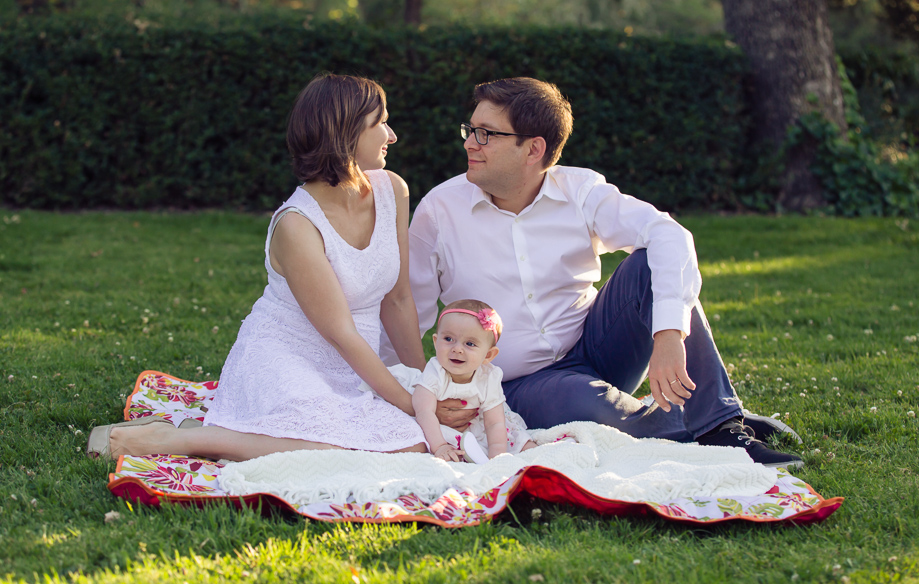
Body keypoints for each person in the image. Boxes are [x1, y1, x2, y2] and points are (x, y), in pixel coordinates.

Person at [390, 77, 803, 469]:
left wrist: (669, 334)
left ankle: (722, 426)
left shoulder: (580, 190)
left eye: (485, 134)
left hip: (599, 346)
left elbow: (668, 233)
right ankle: (712, 417)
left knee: (648, 262)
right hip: (520, 381)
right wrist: (416, 391)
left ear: (533, 149)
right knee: (594, 412)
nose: (469, 142)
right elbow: (409, 308)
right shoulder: (440, 211)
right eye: (470, 130)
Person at [87, 73, 431, 462]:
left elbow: (398, 300)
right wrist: (409, 404)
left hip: (356, 366)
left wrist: (427, 388)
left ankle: (219, 436)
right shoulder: (297, 224)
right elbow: (340, 333)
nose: (392, 135)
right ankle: (173, 441)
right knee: (369, 447)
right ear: (345, 133)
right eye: (381, 122)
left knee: (412, 443)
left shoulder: (393, 190)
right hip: (286, 358)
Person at [411, 299, 536, 464]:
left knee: (514, 438)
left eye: (470, 344)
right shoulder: (435, 371)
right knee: (419, 434)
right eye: (448, 339)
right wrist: (440, 446)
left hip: (480, 421)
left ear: (488, 355)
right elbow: (424, 412)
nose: (457, 349)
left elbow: (494, 422)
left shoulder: (489, 377)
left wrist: (497, 458)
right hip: (437, 425)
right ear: (435, 341)